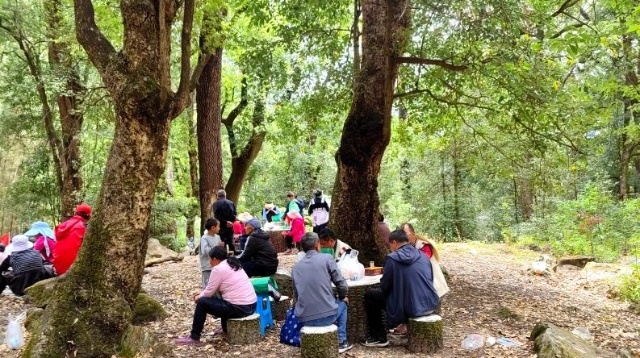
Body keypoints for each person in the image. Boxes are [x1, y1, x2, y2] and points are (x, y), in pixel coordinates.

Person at [361, 229, 439, 347]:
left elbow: (384, 286)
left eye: (390, 245)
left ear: (394, 243)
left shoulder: (392, 258)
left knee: (371, 295)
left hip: (412, 307)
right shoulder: (422, 255)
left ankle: (378, 337)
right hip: (431, 303)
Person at [175, 246, 257, 345]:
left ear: (214, 258)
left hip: (240, 308)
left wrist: (198, 297)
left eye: (210, 259)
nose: (209, 262)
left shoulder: (218, 269)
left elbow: (209, 292)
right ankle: (225, 328)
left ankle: (194, 337)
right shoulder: (233, 263)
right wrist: (202, 292)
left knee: (202, 302)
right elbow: (214, 289)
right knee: (223, 298)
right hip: (252, 305)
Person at [292, 232, 352, 353]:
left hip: (304, 318)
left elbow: (296, 295)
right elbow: (342, 284)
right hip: (327, 317)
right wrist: (342, 296)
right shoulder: (327, 258)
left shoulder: (296, 268)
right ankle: (342, 341)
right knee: (343, 303)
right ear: (317, 245)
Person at [53, 203, 91, 275]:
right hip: (72, 269)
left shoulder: (63, 225)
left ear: (76, 213)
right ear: (88, 216)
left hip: (57, 266)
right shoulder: (85, 228)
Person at [199, 218, 223, 288]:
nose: (219, 228)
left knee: (216, 284)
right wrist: (217, 247)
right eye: (218, 226)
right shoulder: (204, 238)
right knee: (208, 284)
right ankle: (205, 297)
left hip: (217, 265)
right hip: (207, 266)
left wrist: (221, 248)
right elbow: (205, 250)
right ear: (213, 227)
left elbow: (219, 250)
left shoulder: (218, 237)